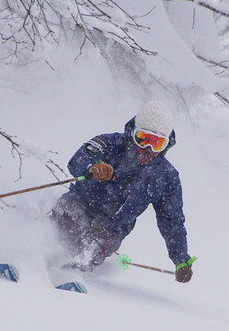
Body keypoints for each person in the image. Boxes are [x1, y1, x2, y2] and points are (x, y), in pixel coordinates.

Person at [49, 100, 196, 283]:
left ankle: (69, 275)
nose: (148, 149)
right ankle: (34, 257)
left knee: (96, 245)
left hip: (112, 227)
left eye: (156, 143)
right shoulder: (110, 144)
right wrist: (93, 168)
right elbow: (78, 160)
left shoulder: (165, 177)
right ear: (132, 133)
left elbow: (171, 220)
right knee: (65, 224)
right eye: (142, 139)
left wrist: (181, 259)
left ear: (166, 145)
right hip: (80, 204)